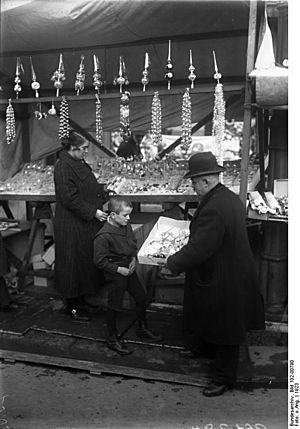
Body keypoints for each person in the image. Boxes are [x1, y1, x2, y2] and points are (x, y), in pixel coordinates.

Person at [165, 152, 265, 397]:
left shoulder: (214, 207)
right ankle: (205, 350)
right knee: (211, 315)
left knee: (225, 326)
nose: (192, 186)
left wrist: (173, 263)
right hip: (226, 269)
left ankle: (223, 378)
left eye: (194, 182)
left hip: (225, 275)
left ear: (206, 182)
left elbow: (201, 246)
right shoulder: (227, 198)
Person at [93, 196, 162, 355]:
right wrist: (118, 270)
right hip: (115, 270)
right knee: (114, 304)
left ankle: (142, 328)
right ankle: (112, 338)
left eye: (129, 214)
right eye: (125, 215)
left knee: (141, 297)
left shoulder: (125, 225)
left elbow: (132, 244)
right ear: (112, 215)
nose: (129, 218)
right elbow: (98, 261)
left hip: (128, 267)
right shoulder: (103, 236)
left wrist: (132, 259)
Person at [54, 131, 108, 321]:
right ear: (73, 149)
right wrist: (94, 212)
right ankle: (72, 306)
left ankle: (82, 301)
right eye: (84, 148)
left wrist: (104, 192)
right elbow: (69, 198)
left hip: (83, 224)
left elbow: (86, 187)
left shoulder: (78, 162)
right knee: (72, 264)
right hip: (71, 225)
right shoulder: (63, 167)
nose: (87, 151)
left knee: (84, 262)